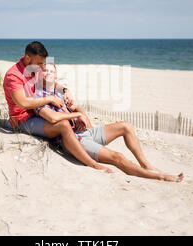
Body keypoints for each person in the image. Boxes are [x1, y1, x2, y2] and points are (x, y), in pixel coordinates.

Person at [33, 62, 184, 182]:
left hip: (85, 132)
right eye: (45, 70)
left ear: (56, 75)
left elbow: (74, 106)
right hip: (75, 141)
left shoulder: (59, 91)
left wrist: (79, 114)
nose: (48, 73)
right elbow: (52, 117)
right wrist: (78, 114)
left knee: (126, 126)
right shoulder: (39, 95)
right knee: (117, 157)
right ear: (40, 73)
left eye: (52, 71)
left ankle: (145, 164)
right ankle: (160, 177)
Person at [3, 41, 112, 173]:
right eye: (39, 63)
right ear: (27, 58)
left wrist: (65, 90)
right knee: (63, 124)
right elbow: (23, 103)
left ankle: (91, 144)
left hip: (38, 113)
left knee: (76, 109)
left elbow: (52, 83)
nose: (42, 67)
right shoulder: (13, 75)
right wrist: (49, 99)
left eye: (43, 63)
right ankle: (93, 164)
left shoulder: (35, 66)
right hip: (23, 119)